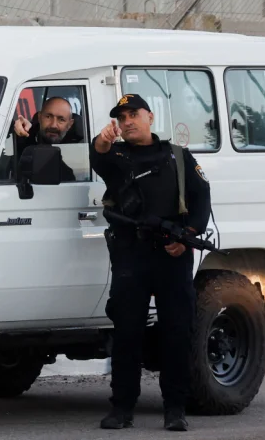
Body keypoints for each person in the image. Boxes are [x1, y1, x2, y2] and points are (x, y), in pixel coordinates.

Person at [90, 94, 211, 432]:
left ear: (150, 116)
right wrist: (101, 141)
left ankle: (175, 409)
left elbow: (201, 198)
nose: (128, 121)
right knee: (127, 332)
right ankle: (122, 408)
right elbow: (97, 159)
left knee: (176, 332)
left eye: (133, 114)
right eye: (122, 117)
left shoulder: (177, 156)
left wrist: (186, 235)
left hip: (172, 256)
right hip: (132, 254)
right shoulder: (117, 156)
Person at [10, 96, 80, 182]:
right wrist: (16, 127)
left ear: (70, 124)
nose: (53, 125)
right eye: (48, 117)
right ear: (39, 117)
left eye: (61, 119)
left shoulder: (85, 145)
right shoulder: (27, 137)